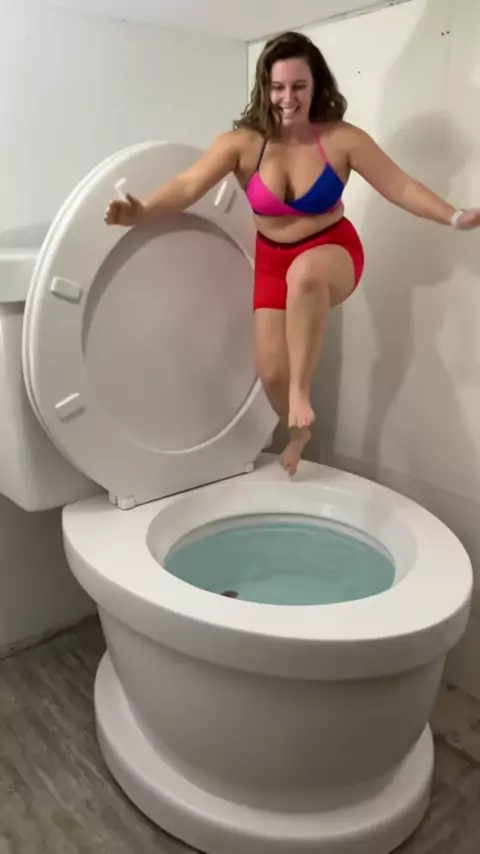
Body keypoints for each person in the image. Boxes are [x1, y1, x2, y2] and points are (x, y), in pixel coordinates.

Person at [105, 30, 480, 476]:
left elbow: (400, 186)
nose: (288, 98)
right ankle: (299, 432)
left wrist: (453, 216)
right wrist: (143, 210)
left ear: (316, 85)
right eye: (278, 87)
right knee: (271, 374)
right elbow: (188, 185)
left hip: (332, 250)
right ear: (265, 88)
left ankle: (302, 392)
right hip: (272, 260)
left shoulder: (342, 140)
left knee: (305, 276)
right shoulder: (242, 144)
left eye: (299, 86)